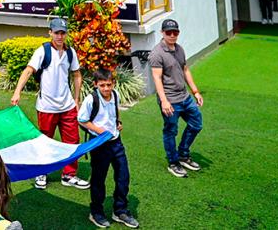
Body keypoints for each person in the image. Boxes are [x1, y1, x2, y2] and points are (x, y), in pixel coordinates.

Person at [11, 17, 88, 191]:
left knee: (72, 140)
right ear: (50, 33)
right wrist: (17, 92)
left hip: (67, 105)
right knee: (44, 141)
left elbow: (76, 75)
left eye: (63, 33)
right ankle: (41, 173)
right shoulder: (42, 51)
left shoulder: (70, 53)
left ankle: (69, 174)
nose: (60, 36)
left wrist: (76, 100)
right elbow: (29, 70)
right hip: (46, 106)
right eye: (57, 33)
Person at [78, 69, 139, 229]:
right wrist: (101, 132)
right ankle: (96, 212)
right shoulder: (91, 99)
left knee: (123, 176)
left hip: (116, 142)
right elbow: (82, 120)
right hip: (99, 144)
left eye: (109, 85)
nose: (106, 88)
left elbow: (114, 111)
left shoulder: (116, 95)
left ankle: (120, 210)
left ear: (113, 83)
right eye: (102, 85)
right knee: (99, 179)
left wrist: (118, 122)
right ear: (96, 84)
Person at [150, 19, 204, 178]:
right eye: (169, 32)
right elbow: (157, 79)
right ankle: (173, 162)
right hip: (170, 101)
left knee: (196, 124)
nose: (172, 35)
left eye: (175, 32)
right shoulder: (157, 54)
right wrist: (164, 101)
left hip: (185, 97)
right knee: (170, 131)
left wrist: (195, 92)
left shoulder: (179, 49)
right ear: (162, 33)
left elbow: (185, 70)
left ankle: (183, 154)